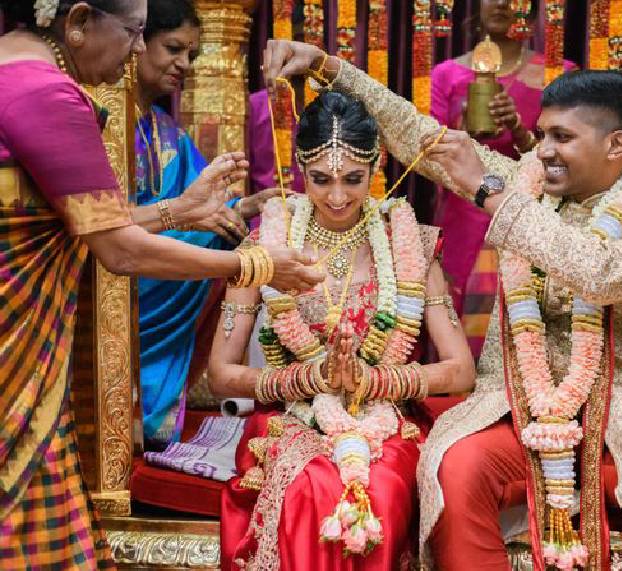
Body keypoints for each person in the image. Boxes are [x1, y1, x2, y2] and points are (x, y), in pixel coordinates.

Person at [264, 41, 622, 571]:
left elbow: (604, 272)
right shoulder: (528, 189)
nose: (542, 149)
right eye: (544, 133)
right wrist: (330, 67)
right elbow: (422, 136)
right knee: (454, 468)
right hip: (512, 404)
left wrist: (491, 193)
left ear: (615, 145)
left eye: (562, 137)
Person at [0, 2, 322, 567]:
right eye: (133, 33)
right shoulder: (45, 92)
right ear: (77, 20)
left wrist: (179, 211)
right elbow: (119, 249)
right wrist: (255, 266)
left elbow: (88, 222)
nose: (133, 50)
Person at [209, 91, 475, 570]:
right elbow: (222, 374)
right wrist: (306, 380)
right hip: (292, 415)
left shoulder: (408, 242)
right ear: (300, 171)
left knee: (384, 488)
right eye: (321, 179)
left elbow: (460, 371)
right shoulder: (265, 246)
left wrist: (375, 381)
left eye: (354, 179)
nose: (337, 196)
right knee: (312, 484)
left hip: (386, 419)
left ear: (377, 168)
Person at [132, 0, 279, 451]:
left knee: (245, 251)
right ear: (136, 43)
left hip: (157, 268)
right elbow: (110, 226)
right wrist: (203, 221)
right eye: (173, 48)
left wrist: (243, 208)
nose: (183, 65)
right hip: (120, 274)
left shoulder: (165, 129)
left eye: (190, 55)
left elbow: (204, 206)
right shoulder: (102, 125)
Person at [431, 0, 575, 357]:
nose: (500, 4)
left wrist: (518, 130)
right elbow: (429, 156)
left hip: (529, 214)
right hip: (463, 216)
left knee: (527, 320)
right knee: (459, 326)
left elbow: (571, 160)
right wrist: (461, 132)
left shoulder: (557, 73)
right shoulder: (446, 74)